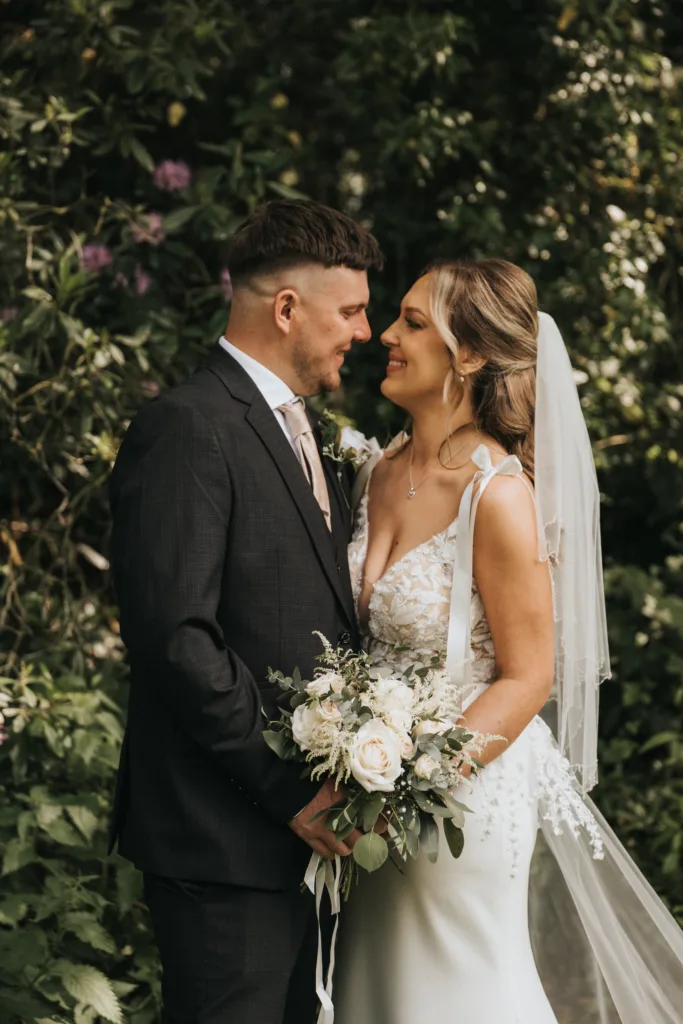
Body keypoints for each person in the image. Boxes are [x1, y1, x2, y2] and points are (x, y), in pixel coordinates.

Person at [334, 258, 683, 1023]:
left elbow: (528, 679)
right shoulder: (377, 470)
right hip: (363, 801)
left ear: (471, 356)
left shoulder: (499, 497)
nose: (386, 336)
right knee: (374, 990)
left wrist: (404, 785)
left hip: (454, 799)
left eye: (413, 323)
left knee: (454, 988)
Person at [108, 199, 383, 1023]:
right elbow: (175, 637)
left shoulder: (310, 434)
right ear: (286, 308)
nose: (363, 333)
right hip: (222, 841)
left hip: (298, 849)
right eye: (352, 311)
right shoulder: (188, 427)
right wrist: (289, 790)